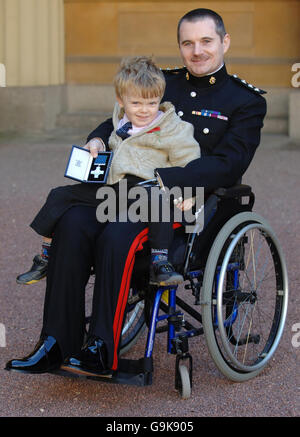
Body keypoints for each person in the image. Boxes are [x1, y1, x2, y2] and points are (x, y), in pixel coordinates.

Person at [5, 8, 267, 378]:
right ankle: (55, 343)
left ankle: (100, 349)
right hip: (126, 193)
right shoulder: (164, 82)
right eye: (188, 43)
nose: (197, 51)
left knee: (117, 233)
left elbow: (228, 163)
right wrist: (96, 138)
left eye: (206, 41)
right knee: (73, 222)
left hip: (184, 203)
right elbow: (121, 115)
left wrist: (166, 178)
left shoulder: (246, 100)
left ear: (224, 42)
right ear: (179, 46)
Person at [15, 56, 200, 287]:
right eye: (136, 104)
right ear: (121, 100)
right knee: (59, 195)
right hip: (112, 191)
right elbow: (105, 138)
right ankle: (45, 256)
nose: (144, 110)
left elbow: (191, 161)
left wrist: (189, 194)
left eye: (152, 103)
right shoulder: (120, 123)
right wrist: (98, 143)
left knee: (158, 200)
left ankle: (160, 261)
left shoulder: (171, 127)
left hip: (145, 190)